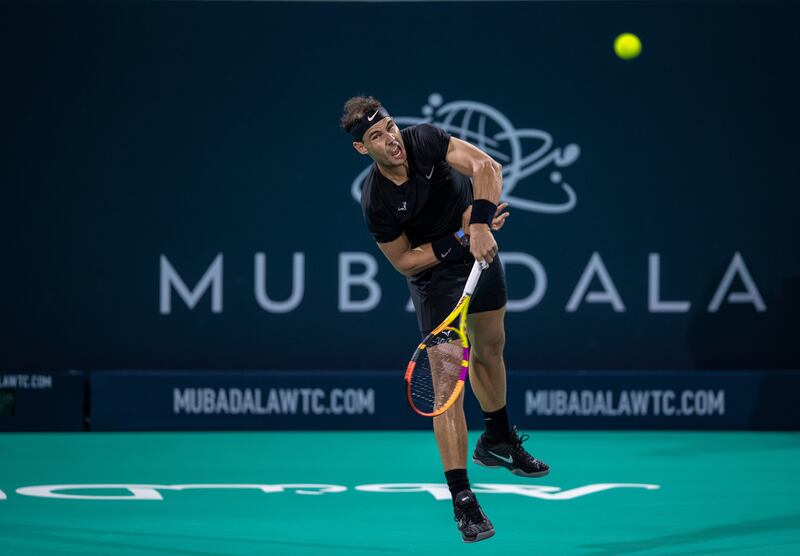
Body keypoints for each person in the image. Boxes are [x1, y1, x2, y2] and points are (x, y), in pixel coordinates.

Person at [340, 96, 549, 543]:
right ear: (363, 149)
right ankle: (463, 500)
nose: (391, 138)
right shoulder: (376, 201)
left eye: (391, 127)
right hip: (436, 278)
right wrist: (461, 236)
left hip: (479, 250)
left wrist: (481, 225)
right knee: (448, 386)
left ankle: (496, 439)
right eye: (376, 136)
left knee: (491, 348)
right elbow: (405, 261)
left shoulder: (425, 140)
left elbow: (486, 168)